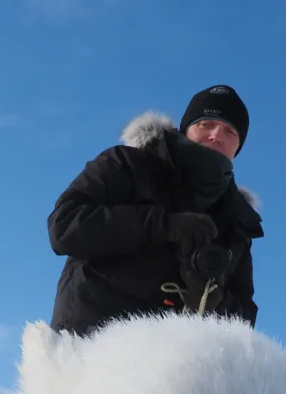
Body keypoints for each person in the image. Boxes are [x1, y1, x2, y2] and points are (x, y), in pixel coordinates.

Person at [46, 84, 264, 336]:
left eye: (230, 131)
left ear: (237, 148)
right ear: (186, 129)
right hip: (91, 344)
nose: (217, 135)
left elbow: (244, 320)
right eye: (206, 124)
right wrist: (163, 225)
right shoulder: (126, 164)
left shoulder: (236, 219)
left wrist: (213, 302)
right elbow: (64, 226)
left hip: (175, 361)